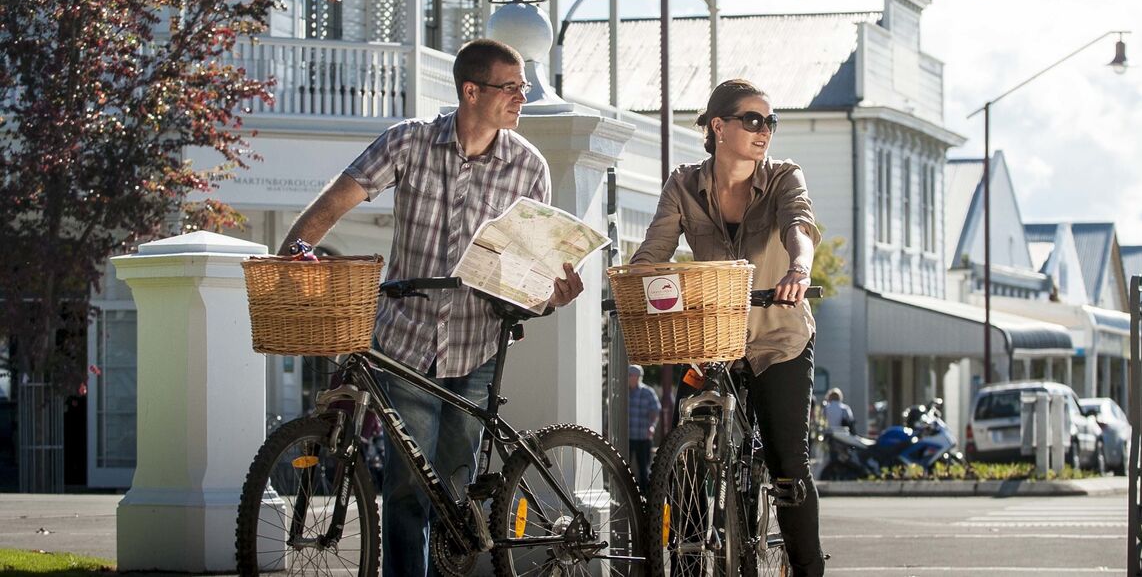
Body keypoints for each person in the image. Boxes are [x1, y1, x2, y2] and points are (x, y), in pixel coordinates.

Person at [279, 38, 585, 577]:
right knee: (405, 490)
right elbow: (339, 199)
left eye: (523, 87)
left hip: (477, 343)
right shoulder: (409, 142)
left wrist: (550, 292)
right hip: (406, 339)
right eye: (511, 87)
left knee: (454, 487)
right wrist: (292, 253)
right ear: (472, 90)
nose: (522, 97)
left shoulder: (528, 166)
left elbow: (534, 261)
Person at [630, 78, 825, 577]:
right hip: (715, 339)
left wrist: (798, 270)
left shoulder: (784, 177)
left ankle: (807, 569)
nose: (765, 130)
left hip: (779, 337)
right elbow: (654, 252)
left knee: (787, 462)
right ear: (719, 126)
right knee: (691, 451)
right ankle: (695, 559)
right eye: (753, 119)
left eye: (770, 121)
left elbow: (799, 227)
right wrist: (630, 283)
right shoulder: (683, 185)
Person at [626, 364, 660, 492]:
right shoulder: (624, 393)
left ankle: (645, 496)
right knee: (624, 468)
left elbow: (655, 411)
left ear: (636, 377)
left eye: (630, 375)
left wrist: (652, 426)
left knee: (643, 470)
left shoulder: (648, 392)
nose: (628, 378)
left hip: (643, 437)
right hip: (627, 437)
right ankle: (628, 495)